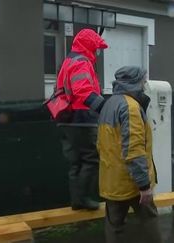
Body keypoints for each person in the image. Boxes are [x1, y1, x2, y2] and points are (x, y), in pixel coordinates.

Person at [97, 66, 161, 243]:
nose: (145, 83)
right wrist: (144, 186)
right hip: (131, 182)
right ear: (136, 82)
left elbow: (101, 145)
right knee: (149, 221)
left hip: (112, 181)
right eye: (143, 80)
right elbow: (134, 149)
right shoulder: (130, 107)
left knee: (114, 227)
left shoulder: (109, 104)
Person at [57, 29, 108, 210]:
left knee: (75, 161)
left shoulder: (68, 61)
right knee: (91, 158)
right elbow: (83, 91)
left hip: (66, 118)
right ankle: (84, 199)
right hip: (82, 118)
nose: (97, 52)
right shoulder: (82, 63)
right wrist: (105, 108)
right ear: (89, 46)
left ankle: (77, 201)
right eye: (96, 48)